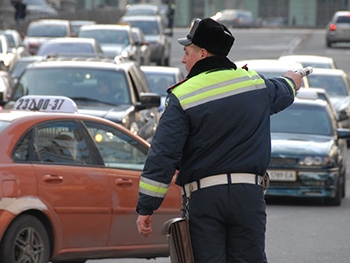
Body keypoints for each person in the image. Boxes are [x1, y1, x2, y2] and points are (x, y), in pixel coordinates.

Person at [136, 17, 303, 262]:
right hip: (249, 196)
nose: (183, 59)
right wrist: (294, 78)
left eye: (186, 52)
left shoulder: (183, 96)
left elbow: (163, 154)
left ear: (202, 53)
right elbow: (285, 90)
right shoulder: (255, 83)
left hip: (205, 199)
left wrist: (146, 207)